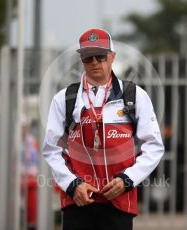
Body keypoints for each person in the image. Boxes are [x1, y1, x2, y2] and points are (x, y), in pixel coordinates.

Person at [43, 28, 164, 230]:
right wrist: (73, 185)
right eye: (88, 57)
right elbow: (52, 150)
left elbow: (154, 146)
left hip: (119, 201)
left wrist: (127, 180)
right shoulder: (64, 99)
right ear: (81, 60)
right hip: (78, 201)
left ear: (112, 56)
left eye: (100, 56)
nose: (94, 62)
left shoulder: (135, 96)